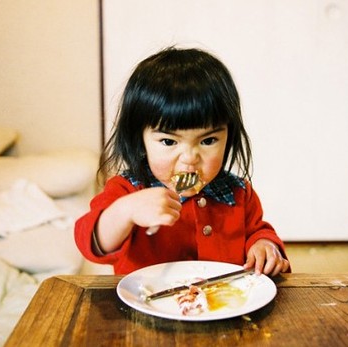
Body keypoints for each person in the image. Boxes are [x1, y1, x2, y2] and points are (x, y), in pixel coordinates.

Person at [74, 46, 290, 276]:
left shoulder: (238, 193)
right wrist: (124, 212)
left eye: (208, 141)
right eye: (169, 142)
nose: (189, 159)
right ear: (140, 140)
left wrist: (264, 246)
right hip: (147, 304)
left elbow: (258, 231)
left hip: (222, 305)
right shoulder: (127, 190)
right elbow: (91, 243)